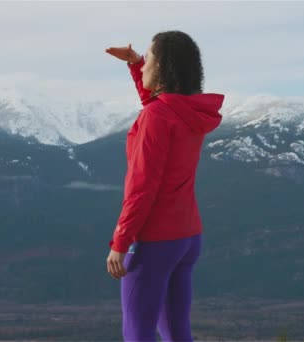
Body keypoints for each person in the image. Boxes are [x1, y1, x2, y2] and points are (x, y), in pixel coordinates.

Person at [104, 30, 225, 341]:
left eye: (149, 61)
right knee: (176, 332)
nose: (145, 66)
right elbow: (159, 104)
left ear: (164, 69)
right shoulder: (188, 111)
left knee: (138, 333)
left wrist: (121, 241)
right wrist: (134, 63)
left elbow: (142, 187)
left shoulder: (157, 117)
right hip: (187, 238)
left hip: (153, 241)